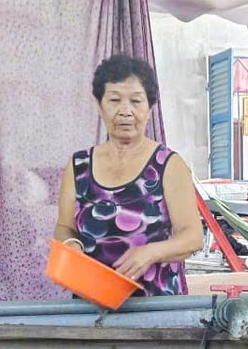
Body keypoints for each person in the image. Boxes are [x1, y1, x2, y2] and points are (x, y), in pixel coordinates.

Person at [55, 54, 202, 296]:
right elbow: (64, 227)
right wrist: (70, 246)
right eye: (114, 100)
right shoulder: (79, 166)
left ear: (150, 109)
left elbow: (193, 237)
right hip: (90, 303)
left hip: (154, 305)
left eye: (136, 101)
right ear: (99, 105)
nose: (125, 111)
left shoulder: (168, 165)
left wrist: (150, 253)